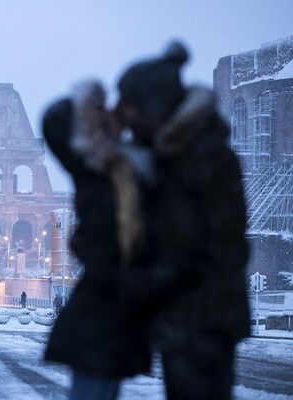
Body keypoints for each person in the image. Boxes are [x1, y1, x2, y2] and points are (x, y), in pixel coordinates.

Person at [113, 41, 250, 400]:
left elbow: (219, 246)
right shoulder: (170, 155)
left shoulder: (203, 159)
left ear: (153, 106)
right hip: (186, 315)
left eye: (129, 105)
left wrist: (155, 276)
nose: (121, 115)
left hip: (204, 317)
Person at [43, 79, 153, 400]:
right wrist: (88, 108)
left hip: (117, 305)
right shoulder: (96, 166)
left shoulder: (121, 166)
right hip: (105, 304)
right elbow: (54, 119)